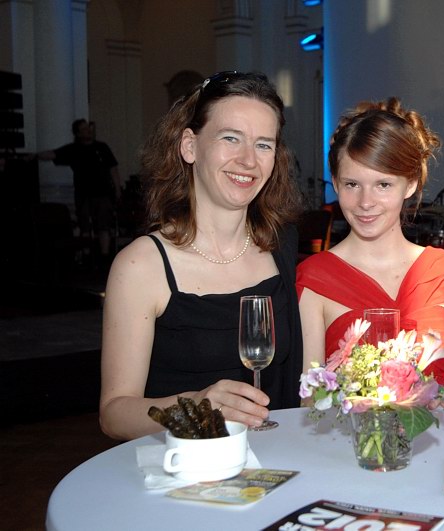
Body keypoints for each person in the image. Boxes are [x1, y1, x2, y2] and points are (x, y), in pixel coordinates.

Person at [99, 71, 303, 440]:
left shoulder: (280, 247)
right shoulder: (141, 265)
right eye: (231, 138)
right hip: (184, 464)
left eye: (263, 145)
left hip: (274, 460)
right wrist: (195, 405)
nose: (248, 160)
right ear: (189, 146)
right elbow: (114, 414)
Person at [296, 97, 444, 407]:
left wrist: (443, 412)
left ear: (410, 184)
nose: (365, 202)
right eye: (352, 184)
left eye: (383, 185)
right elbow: (310, 394)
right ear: (335, 183)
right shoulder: (315, 278)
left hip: (436, 430)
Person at [36, 119, 121, 268]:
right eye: (84, 129)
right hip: (84, 195)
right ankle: (87, 256)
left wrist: (117, 189)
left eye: (88, 128)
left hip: (102, 193)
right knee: (84, 226)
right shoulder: (73, 149)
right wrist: (35, 155)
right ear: (78, 133)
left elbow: (113, 168)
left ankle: (104, 257)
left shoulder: (102, 147)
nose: (88, 131)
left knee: (104, 226)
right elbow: (53, 154)